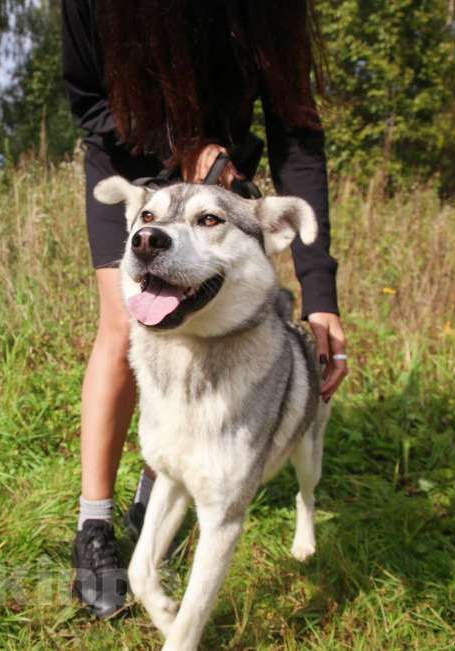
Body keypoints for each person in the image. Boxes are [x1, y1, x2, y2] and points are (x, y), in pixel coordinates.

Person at [62, 0, 349, 618]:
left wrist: (319, 296)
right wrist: (179, 146)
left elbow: (297, 135)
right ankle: (95, 526)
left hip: (222, 177)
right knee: (124, 325)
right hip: (129, 161)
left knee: (215, 322)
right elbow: (87, 96)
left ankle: (164, 487)